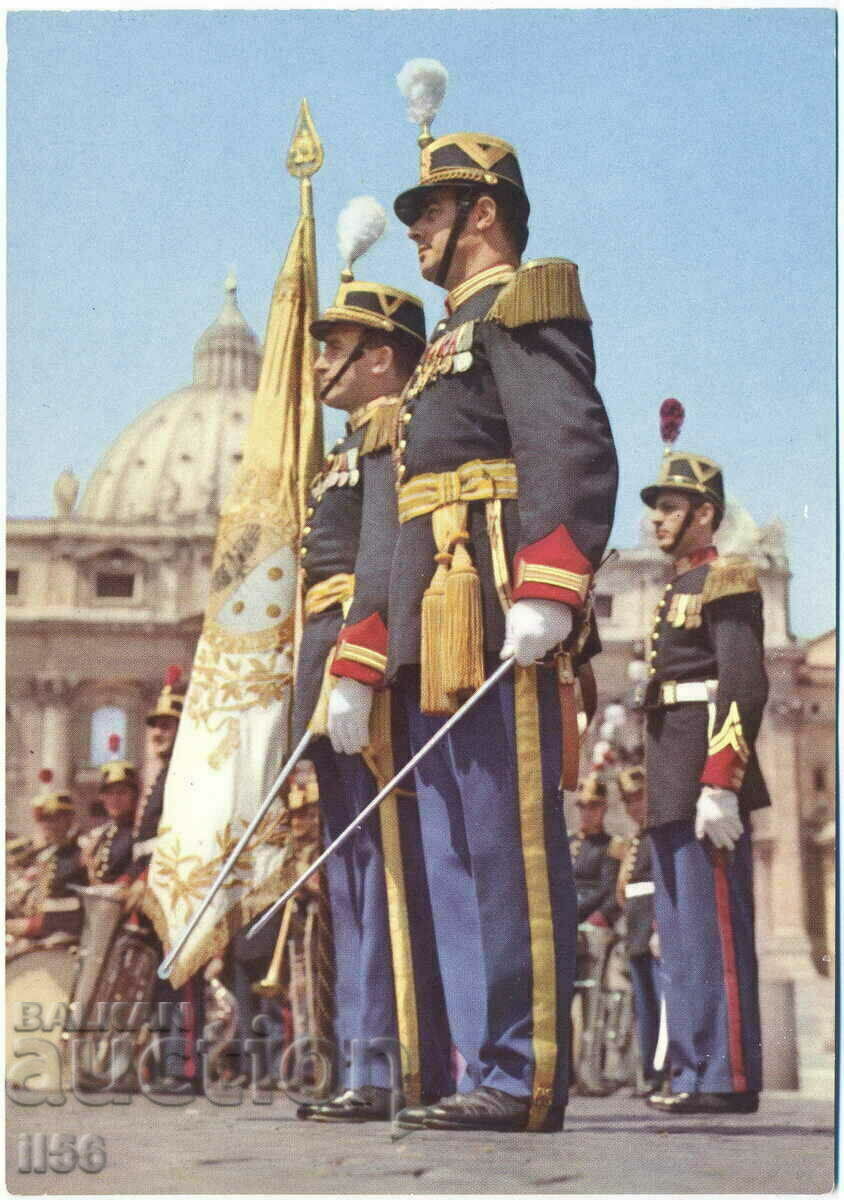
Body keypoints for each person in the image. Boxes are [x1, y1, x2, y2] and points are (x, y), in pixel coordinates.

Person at [329, 128, 618, 1132]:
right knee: (451, 851)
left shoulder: (523, 301)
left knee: (507, 843)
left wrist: (551, 580)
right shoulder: (437, 352)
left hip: (493, 602)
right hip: (429, 618)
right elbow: (393, 517)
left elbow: (567, 436)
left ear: (481, 215)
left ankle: (522, 1069)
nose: (416, 232)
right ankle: (475, 1062)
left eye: (430, 213)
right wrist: (371, 651)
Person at [293, 269, 452, 1122]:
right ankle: (360, 1055)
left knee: (384, 869)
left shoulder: (391, 434)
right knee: (352, 877)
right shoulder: (343, 453)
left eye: (336, 346)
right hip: (327, 666)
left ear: (381, 357)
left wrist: (358, 667)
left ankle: (388, 1064)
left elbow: (385, 564)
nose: (322, 361)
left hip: (363, 668)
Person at [639, 447, 769, 1114]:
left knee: (714, 929)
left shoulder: (729, 578)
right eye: (656, 508)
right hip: (670, 776)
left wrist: (721, 780)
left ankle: (727, 1072)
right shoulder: (676, 587)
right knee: (682, 933)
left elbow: (743, 681)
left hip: (703, 776)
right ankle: (693, 1069)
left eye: (668, 506)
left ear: (704, 514)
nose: (656, 519)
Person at [569, 774, 622, 1096]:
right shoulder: (568, 842)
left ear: (603, 808)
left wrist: (588, 916)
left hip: (593, 932)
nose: (588, 813)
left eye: (594, 806)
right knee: (563, 1008)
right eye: (583, 806)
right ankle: (565, 1077)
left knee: (594, 1009)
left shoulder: (612, 847)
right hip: (567, 931)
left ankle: (592, 1073)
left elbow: (609, 890)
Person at [615, 764, 662, 1096]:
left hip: (654, 928)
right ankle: (649, 1074)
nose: (634, 806)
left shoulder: (658, 837)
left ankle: (665, 1073)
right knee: (644, 1007)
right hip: (635, 930)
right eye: (628, 800)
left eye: (639, 798)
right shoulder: (634, 840)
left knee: (661, 1004)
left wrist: (660, 927)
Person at [6, 780, 86, 944]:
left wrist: (32, 925)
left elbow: (68, 907)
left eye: (56, 818)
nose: (49, 825)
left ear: (69, 819)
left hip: (58, 931)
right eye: (44, 819)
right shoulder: (46, 854)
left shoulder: (78, 856)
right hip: (38, 926)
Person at [82, 758, 140, 886]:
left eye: (122, 793)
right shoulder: (104, 833)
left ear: (134, 796)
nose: (115, 799)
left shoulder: (140, 831)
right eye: (109, 793)